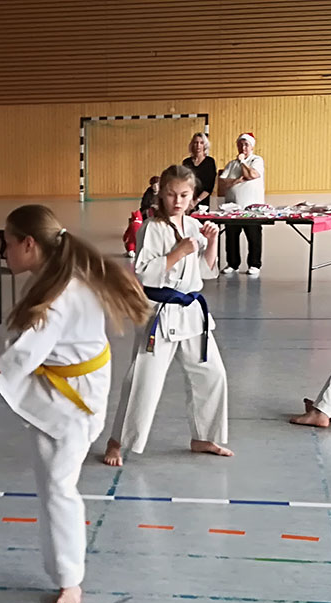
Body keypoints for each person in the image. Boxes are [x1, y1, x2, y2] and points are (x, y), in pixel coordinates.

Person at [0, 204, 149, 603]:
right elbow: (18, 355)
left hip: (71, 402)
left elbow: (14, 360)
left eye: (7, 243)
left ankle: (70, 580)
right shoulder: (54, 276)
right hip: (58, 382)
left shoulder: (56, 296)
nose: (4, 252)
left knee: (57, 485)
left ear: (29, 244)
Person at [103, 164, 230, 468]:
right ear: (161, 194)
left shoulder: (194, 226)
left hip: (191, 313)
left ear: (192, 196)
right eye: (172, 194)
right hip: (159, 315)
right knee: (144, 380)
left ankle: (204, 437)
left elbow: (205, 272)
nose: (178, 201)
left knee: (212, 374)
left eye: (184, 195)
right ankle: (117, 441)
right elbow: (144, 273)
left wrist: (211, 242)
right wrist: (178, 252)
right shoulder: (151, 228)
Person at [217, 132, 266, 276]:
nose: (243, 148)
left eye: (246, 145)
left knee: (253, 237)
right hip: (232, 208)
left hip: (252, 209)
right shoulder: (231, 164)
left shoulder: (256, 160)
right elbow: (222, 183)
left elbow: (251, 175)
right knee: (231, 237)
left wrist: (243, 162)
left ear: (251, 147)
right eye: (240, 144)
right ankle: (233, 264)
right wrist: (236, 180)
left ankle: (254, 264)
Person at [182, 132, 217, 214]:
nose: (198, 145)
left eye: (201, 143)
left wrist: (196, 201)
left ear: (205, 145)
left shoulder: (210, 162)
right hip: (188, 200)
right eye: (196, 142)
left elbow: (209, 187)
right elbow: (184, 182)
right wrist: (189, 200)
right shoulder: (186, 162)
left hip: (203, 203)